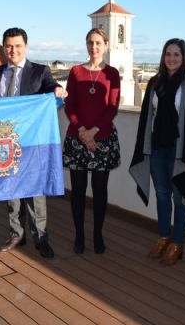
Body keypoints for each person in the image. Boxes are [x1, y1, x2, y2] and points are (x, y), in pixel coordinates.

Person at [0, 27, 67, 258]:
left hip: (31, 144)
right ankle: (16, 234)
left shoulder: (40, 71)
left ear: (26, 47)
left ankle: (41, 237)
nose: (13, 50)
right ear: (3, 48)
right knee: (11, 191)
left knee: (35, 192)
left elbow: (49, 86)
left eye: (18, 46)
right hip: (3, 144)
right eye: (9, 46)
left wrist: (57, 89)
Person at [129, 38, 185, 266]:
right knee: (162, 194)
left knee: (179, 195)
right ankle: (164, 237)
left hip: (180, 150)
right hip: (157, 148)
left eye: (176, 54)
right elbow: (147, 118)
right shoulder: (155, 82)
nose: (171, 58)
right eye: (168, 54)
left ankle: (178, 242)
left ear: (184, 58)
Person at [63, 28, 121, 254]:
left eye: (98, 43)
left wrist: (94, 132)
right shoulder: (76, 71)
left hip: (103, 138)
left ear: (105, 45)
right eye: (90, 43)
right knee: (77, 190)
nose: (93, 47)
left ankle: (97, 235)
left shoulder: (112, 73)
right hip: (77, 138)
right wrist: (82, 131)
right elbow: (70, 106)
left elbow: (112, 107)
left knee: (100, 190)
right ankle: (79, 236)